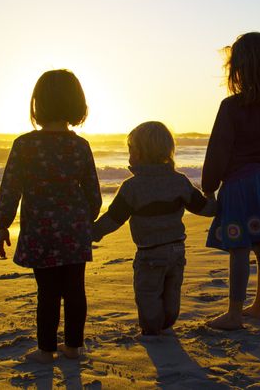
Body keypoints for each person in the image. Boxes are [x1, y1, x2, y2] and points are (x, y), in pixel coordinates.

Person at [0, 69, 102, 363]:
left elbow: (10, 189)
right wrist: (85, 219)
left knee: (48, 292)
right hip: (75, 229)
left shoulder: (25, 145)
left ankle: (45, 350)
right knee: (75, 288)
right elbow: (94, 194)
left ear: (37, 103)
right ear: (77, 103)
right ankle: (75, 347)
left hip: (40, 231)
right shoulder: (80, 146)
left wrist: (2, 225)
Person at [92, 121, 216, 336]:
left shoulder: (132, 186)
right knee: (172, 288)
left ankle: (152, 328)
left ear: (138, 153)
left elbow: (114, 218)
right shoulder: (180, 181)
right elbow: (204, 209)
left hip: (149, 252)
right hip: (177, 250)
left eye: (130, 149)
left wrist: (93, 232)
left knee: (148, 292)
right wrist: (214, 199)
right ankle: (168, 321)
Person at [202, 32, 260, 330]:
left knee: (238, 248)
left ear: (239, 68)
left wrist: (209, 187)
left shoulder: (231, 107)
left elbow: (218, 151)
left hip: (238, 184)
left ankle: (235, 314)